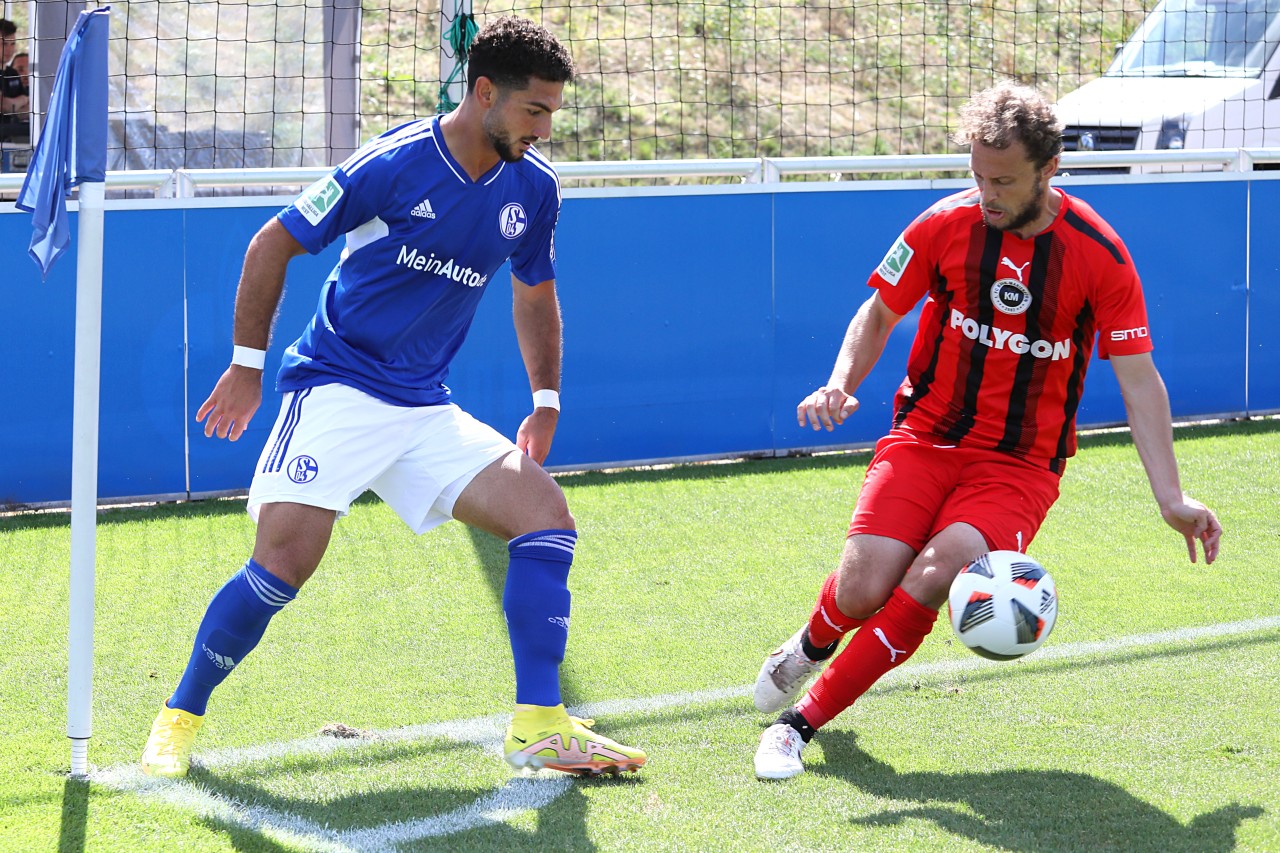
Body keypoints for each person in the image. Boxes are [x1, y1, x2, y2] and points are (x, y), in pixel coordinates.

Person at [141, 15, 646, 779]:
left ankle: (539, 724)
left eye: (552, 111)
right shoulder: (393, 163)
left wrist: (546, 396)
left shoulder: (533, 188)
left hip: (424, 407)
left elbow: (535, 290)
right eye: (535, 110)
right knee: (283, 564)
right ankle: (179, 714)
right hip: (338, 388)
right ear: (484, 94)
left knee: (544, 515)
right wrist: (247, 364)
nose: (546, 128)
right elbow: (271, 242)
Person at [751, 81, 1223, 780]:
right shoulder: (945, 223)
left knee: (935, 575)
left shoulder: (1100, 255)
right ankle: (811, 643)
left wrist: (1170, 496)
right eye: (977, 175)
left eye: (1002, 181)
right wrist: (841, 382)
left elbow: (1138, 378)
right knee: (860, 589)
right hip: (926, 436)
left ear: (1049, 169)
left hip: (1021, 465)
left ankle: (797, 725)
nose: (987, 194)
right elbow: (879, 311)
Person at [0, 21, 28, 117]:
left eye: (12, 44)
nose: (9, 49)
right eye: (4, 44)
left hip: (14, 131)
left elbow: (29, 108)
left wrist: (13, 111)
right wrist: (23, 99)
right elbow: (4, 106)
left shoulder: (13, 73)